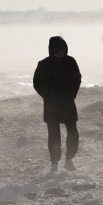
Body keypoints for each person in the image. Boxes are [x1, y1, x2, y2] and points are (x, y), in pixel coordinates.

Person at [33, 36, 82, 173]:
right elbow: (37, 84)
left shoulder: (71, 62)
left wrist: (72, 95)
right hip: (51, 106)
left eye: (62, 51)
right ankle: (54, 163)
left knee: (72, 132)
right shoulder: (43, 64)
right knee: (54, 135)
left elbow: (77, 79)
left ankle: (69, 159)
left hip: (68, 103)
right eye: (57, 52)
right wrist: (49, 96)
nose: (60, 54)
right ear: (51, 51)